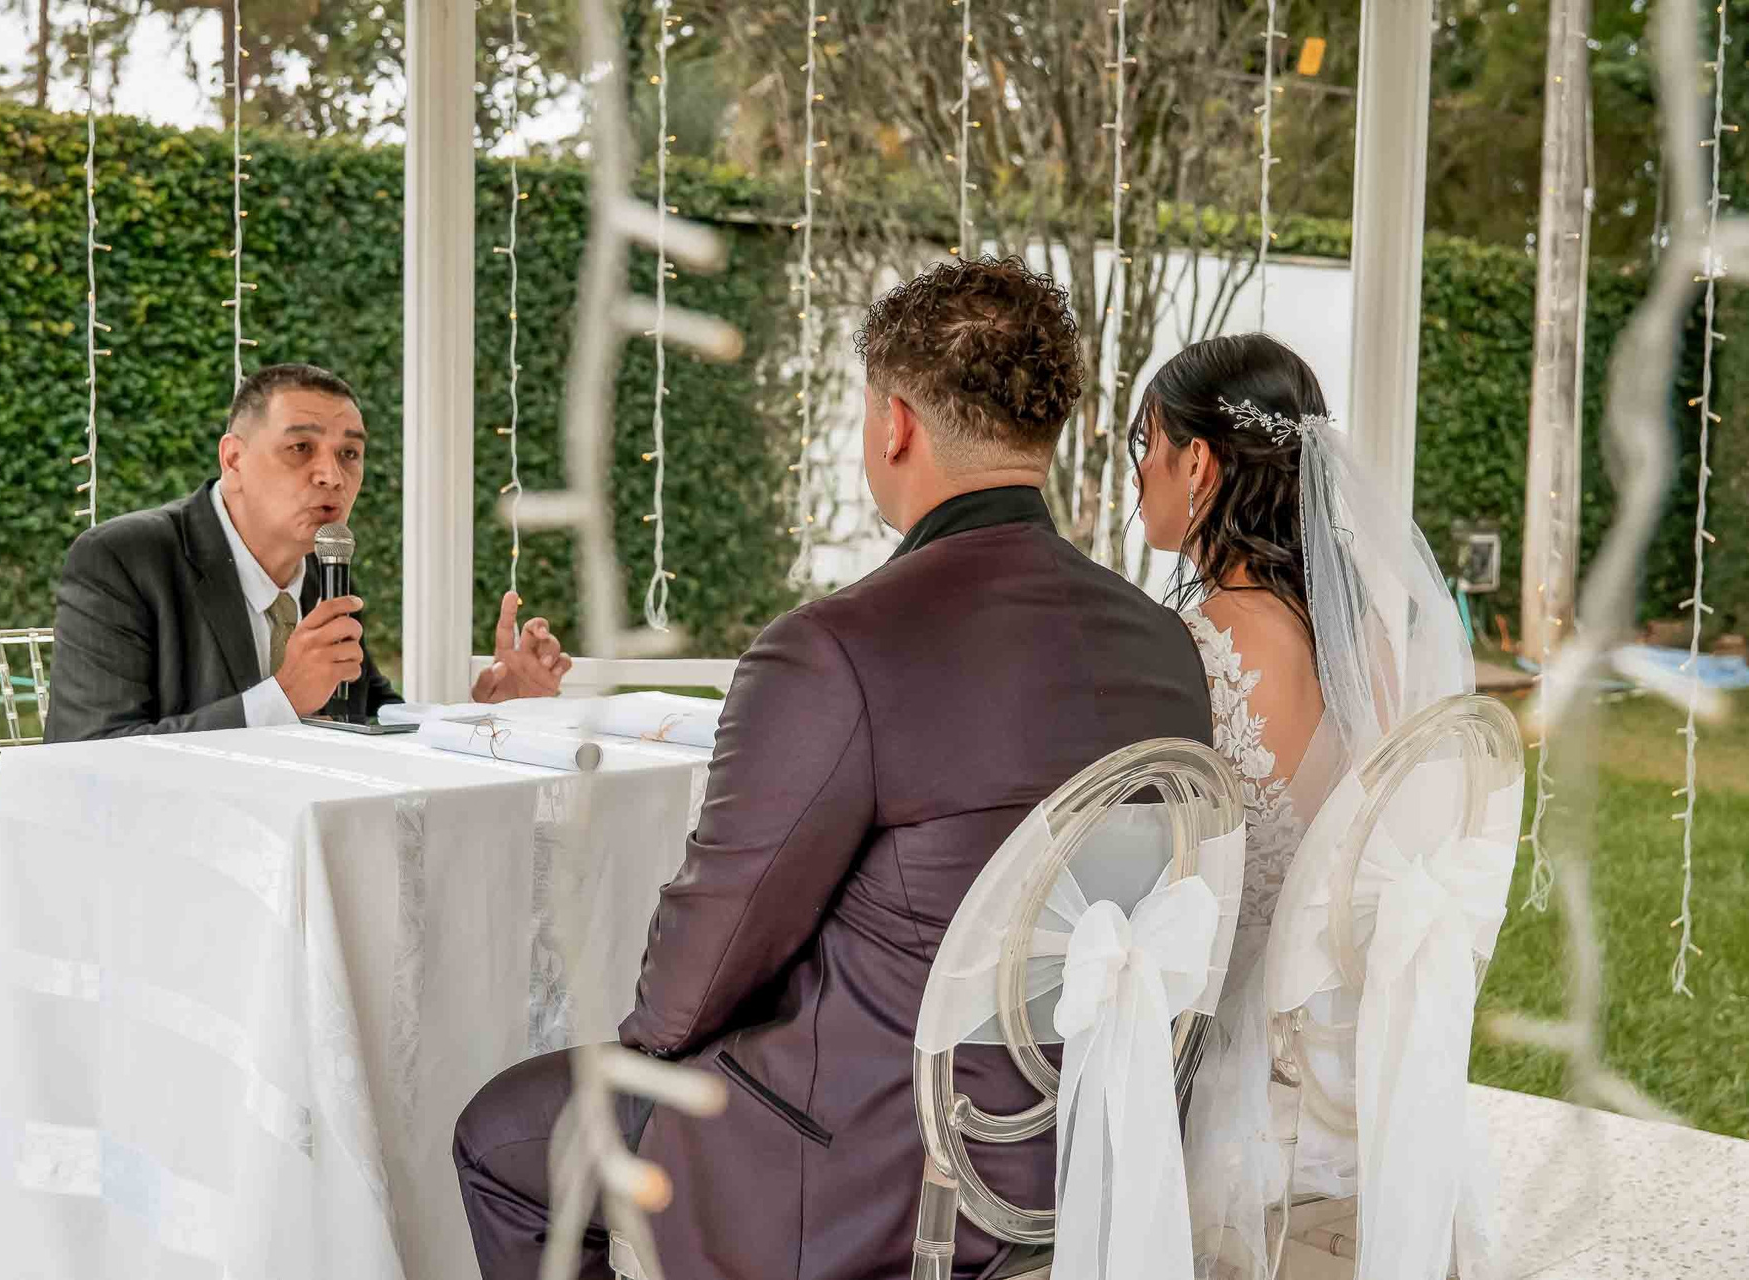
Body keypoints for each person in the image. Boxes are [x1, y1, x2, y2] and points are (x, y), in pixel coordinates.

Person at [452, 256, 1215, 1280]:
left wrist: (649, 1052)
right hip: (1082, 1147)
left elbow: (695, 984)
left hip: (875, 1175)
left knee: (501, 1134)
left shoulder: (833, 650)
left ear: (894, 424)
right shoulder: (1163, 648)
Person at [1128, 333, 1474, 1278]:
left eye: (1145, 444)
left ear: (1198, 463)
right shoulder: (1372, 640)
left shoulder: (1187, 648)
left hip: (1219, 1064)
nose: (1139, 474)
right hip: (1349, 1055)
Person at [45, 363, 572, 742]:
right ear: (234, 460)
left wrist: (483, 717)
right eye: (301, 448)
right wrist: (284, 698)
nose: (332, 475)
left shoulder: (328, 566)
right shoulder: (122, 559)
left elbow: (370, 714)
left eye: (350, 454)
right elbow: (89, 752)